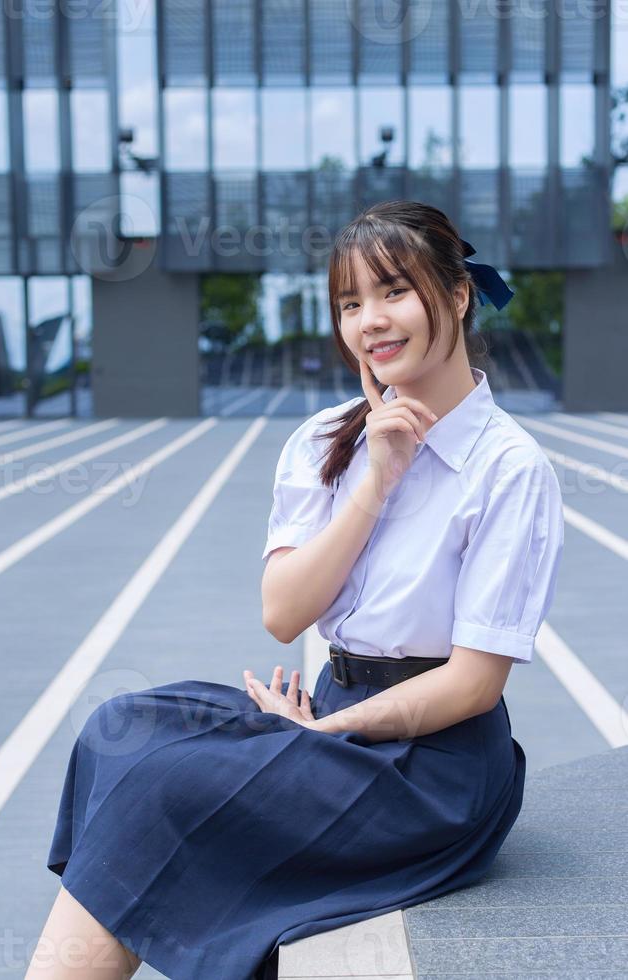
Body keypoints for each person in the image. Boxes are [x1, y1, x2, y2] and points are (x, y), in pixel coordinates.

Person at [29, 200, 564, 980]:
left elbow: (473, 685)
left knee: (163, 789)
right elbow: (284, 615)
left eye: (393, 292)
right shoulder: (325, 441)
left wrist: (322, 737)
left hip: (433, 770)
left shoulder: (509, 468)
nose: (370, 322)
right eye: (350, 303)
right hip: (330, 716)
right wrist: (377, 480)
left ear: (455, 296)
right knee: (125, 728)